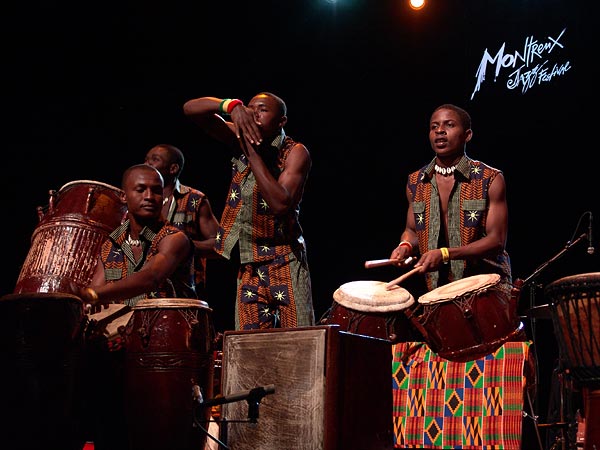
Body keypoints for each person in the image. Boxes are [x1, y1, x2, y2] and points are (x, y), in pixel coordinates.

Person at [77, 163, 197, 450]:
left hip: (169, 349)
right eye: (140, 189)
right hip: (122, 352)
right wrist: (84, 304)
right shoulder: (112, 242)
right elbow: (99, 290)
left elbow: (151, 278)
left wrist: (93, 294)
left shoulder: (174, 239)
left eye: (156, 190)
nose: (149, 196)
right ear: (123, 197)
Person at [182, 92, 315, 330]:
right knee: (248, 346)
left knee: (300, 340)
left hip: (284, 258)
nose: (254, 113)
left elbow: (280, 204)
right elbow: (191, 109)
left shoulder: (295, 152)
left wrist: (250, 150)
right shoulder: (239, 135)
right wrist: (231, 106)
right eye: (250, 108)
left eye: (262, 109)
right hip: (249, 262)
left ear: (281, 121)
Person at [389, 103, 512, 295]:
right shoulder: (416, 182)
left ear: (467, 135)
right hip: (438, 290)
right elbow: (412, 230)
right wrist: (404, 246)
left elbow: (496, 241)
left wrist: (445, 254)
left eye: (449, 125)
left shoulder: (490, 178)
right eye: (434, 126)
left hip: (485, 287)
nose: (440, 131)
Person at [144, 143, 220, 300]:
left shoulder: (194, 199)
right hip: (142, 290)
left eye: (155, 160)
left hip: (181, 292)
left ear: (173, 169)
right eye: (146, 160)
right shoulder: (138, 199)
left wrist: (183, 247)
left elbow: (222, 245)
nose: (147, 164)